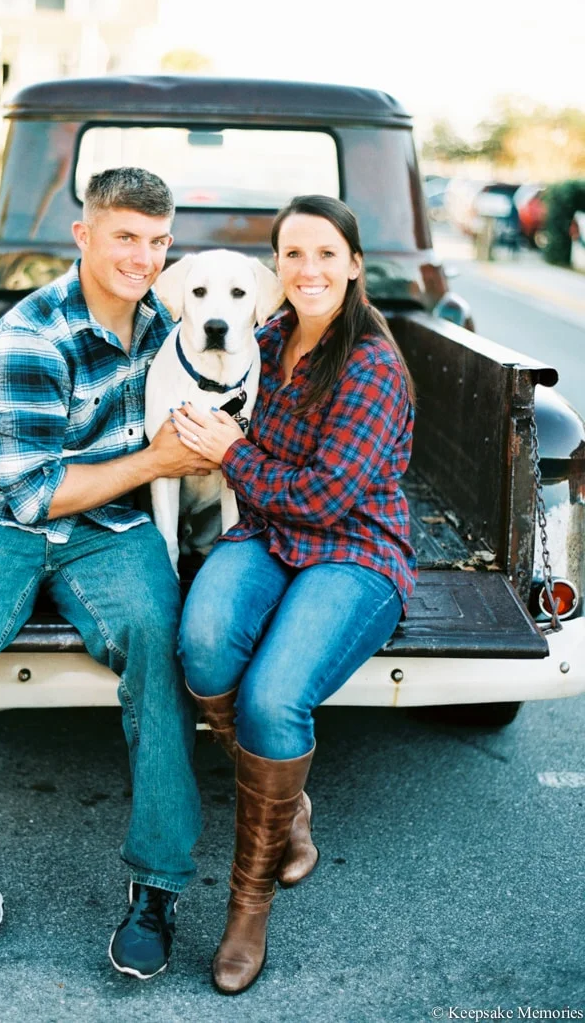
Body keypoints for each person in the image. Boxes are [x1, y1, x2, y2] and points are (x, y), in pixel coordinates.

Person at [0, 167, 215, 978]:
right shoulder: (31, 335)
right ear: (85, 235)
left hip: (112, 526)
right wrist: (159, 457)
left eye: (157, 241)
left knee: (159, 641)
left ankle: (157, 883)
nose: (143, 257)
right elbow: (35, 492)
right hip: (7, 516)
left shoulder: (166, 325)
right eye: (125, 237)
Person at [174, 195, 416, 995]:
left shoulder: (372, 365)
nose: (308, 269)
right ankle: (292, 804)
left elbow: (320, 498)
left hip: (355, 550)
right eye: (293, 255)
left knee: (273, 700)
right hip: (270, 536)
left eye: (325, 253)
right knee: (202, 644)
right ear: (276, 271)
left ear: (354, 264)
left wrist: (234, 453)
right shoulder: (267, 338)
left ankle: (249, 904)